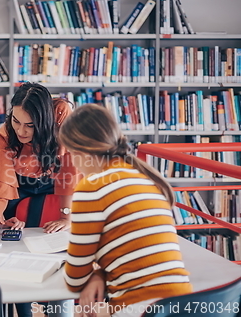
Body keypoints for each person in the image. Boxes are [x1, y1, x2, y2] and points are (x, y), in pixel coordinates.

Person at [60, 104, 192, 317]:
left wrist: (92, 276)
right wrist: (100, 274)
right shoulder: (144, 177)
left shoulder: (91, 186)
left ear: (79, 152)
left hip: (142, 308)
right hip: (183, 301)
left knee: (80, 314)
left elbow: (75, 279)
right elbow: (129, 250)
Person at [0, 83, 79, 317]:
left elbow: (70, 168)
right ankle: (23, 307)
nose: (21, 131)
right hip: (18, 186)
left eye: (30, 125)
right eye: (16, 121)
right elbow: (0, 186)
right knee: (15, 247)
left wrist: (67, 216)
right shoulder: (7, 134)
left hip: (55, 183)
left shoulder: (62, 115)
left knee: (58, 251)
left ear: (45, 120)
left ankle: (54, 306)